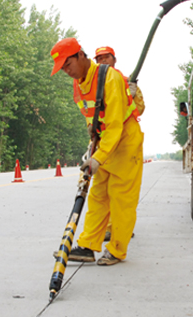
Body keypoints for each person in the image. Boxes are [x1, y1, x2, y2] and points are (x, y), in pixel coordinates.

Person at [50, 38, 144, 266]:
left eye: (68, 64)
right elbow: (90, 114)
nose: (67, 71)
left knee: (121, 199)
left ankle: (117, 250)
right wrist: (92, 132)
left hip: (125, 141)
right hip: (104, 142)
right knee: (98, 196)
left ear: (81, 55)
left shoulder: (109, 78)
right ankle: (88, 246)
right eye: (62, 68)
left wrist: (97, 159)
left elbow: (115, 125)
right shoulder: (79, 83)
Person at [93, 46, 145, 242]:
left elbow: (139, 110)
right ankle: (107, 228)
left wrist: (133, 95)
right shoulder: (95, 85)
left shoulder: (124, 82)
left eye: (106, 57)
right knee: (103, 191)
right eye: (99, 59)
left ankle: (120, 228)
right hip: (105, 142)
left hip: (124, 143)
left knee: (121, 192)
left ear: (114, 60)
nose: (103, 61)